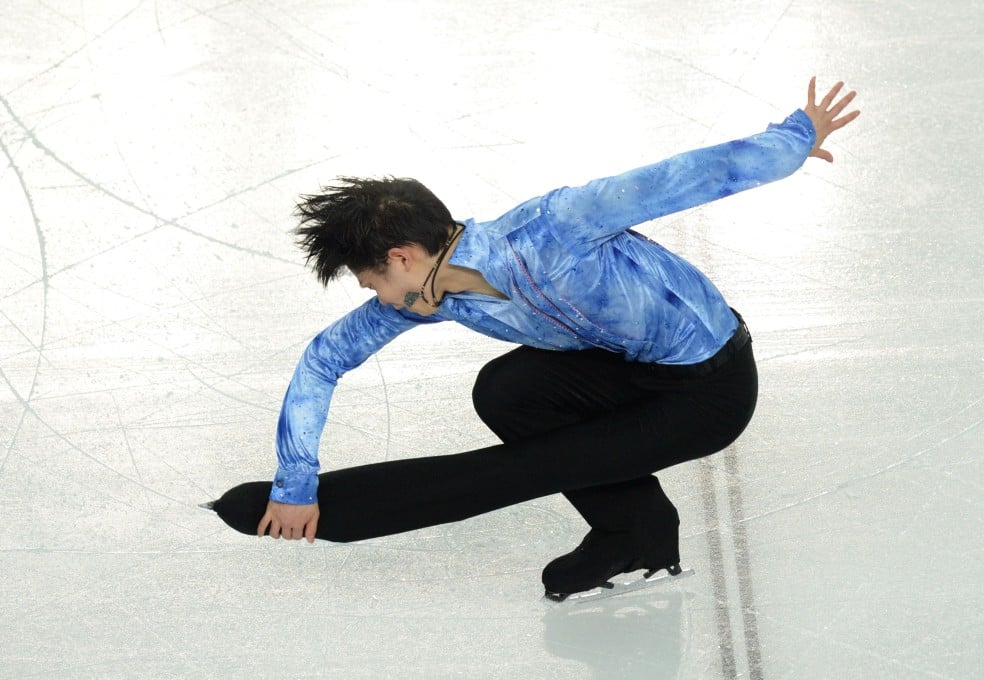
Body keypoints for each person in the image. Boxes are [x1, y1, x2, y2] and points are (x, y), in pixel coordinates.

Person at [208, 77, 859, 600]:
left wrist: (797, 134)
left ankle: (628, 531)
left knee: (518, 471)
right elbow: (324, 360)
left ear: (404, 256)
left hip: (711, 387)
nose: (374, 298)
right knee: (506, 390)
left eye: (370, 279)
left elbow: (688, 175)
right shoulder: (425, 297)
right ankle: (638, 528)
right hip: (627, 370)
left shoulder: (557, 227)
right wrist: (295, 481)